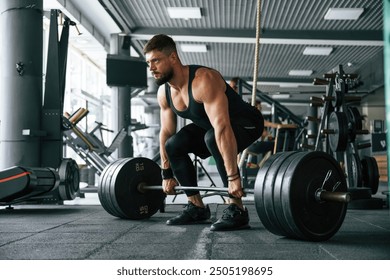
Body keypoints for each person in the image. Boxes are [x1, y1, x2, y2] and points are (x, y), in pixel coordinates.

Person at [143, 34, 264, 231]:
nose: (151, 68)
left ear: (173, 57)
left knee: (212, 138)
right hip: (211, 128)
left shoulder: (204, 80)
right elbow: (166, 132)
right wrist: (166, 174)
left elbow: (222, 127)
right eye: (148, 63)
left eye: (156, 60)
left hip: (247, 123)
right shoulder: (164, 92)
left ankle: (237, 209)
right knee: (174, 144)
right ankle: (196, 206)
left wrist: (234, 178)